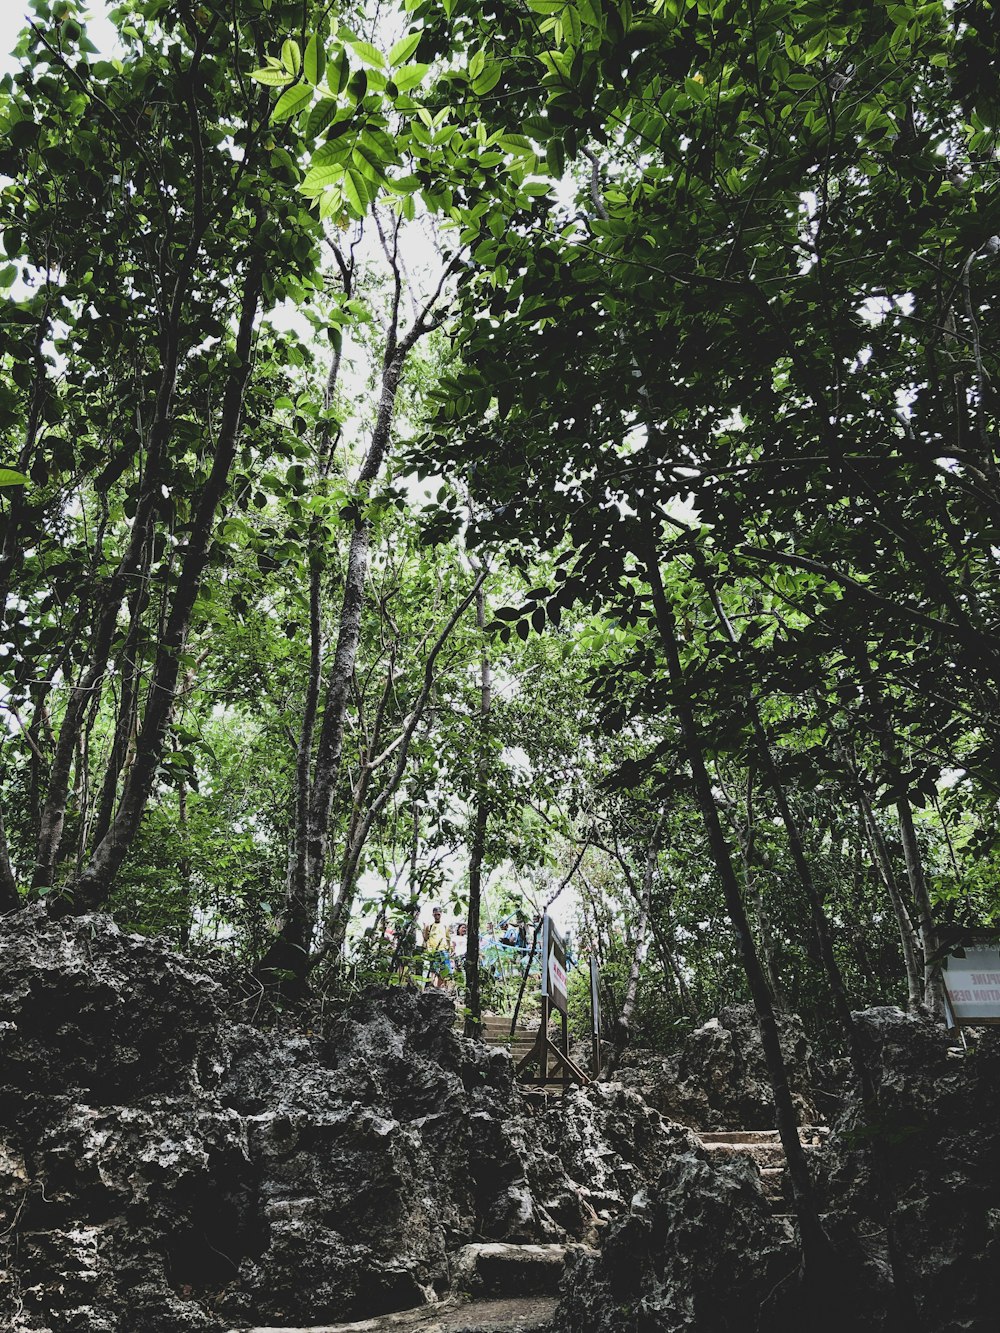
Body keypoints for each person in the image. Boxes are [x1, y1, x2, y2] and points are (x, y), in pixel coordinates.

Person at [422, 906, 453, 990]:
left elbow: (448, 938)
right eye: (435, 914)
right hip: (433, 950)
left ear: (441, 914)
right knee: (434, 970)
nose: (437, 916)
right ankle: (435, 987)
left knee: (445, 969)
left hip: (443, 950)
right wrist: (424, 928)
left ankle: (441, 987)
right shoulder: (430, 926)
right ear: (433, 915)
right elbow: (426, 938)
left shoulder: (445, 926)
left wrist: (450, 949)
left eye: (438, 914)